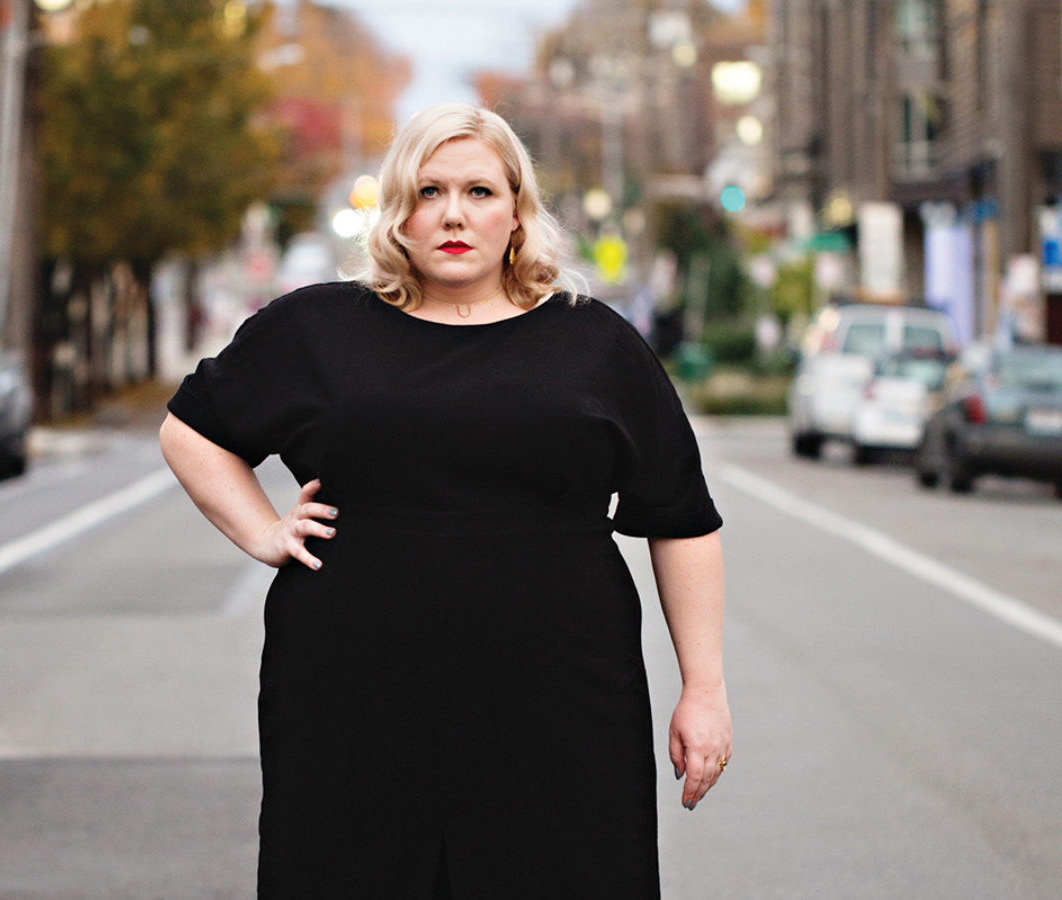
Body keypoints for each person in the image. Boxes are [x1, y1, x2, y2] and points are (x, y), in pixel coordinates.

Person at [160, 102, 731, 899]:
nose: (454, 214)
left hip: (562, 706)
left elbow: (681, 520)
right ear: (396, 213)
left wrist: (703, 691)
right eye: (428, 192)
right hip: (351, 701)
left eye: (480, 192)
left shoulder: (594, 343)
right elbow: (192, 430)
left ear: (517, 212)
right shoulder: (317, 329)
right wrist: (261, 531)